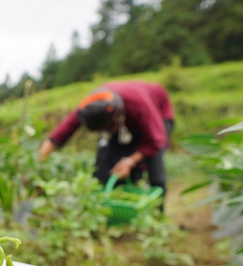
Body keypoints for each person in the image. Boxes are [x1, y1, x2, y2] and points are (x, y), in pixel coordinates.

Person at [38, 80, 175, 205]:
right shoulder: (89, 108)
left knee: (154, 167)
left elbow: (155, 141)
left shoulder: (138, 104)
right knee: (105, 167)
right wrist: (38, 166)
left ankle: (158, 212)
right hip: (122, 120)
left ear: (116, 118)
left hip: (157, 116)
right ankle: (116, 206)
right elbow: (59, 135)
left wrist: (130, 161)